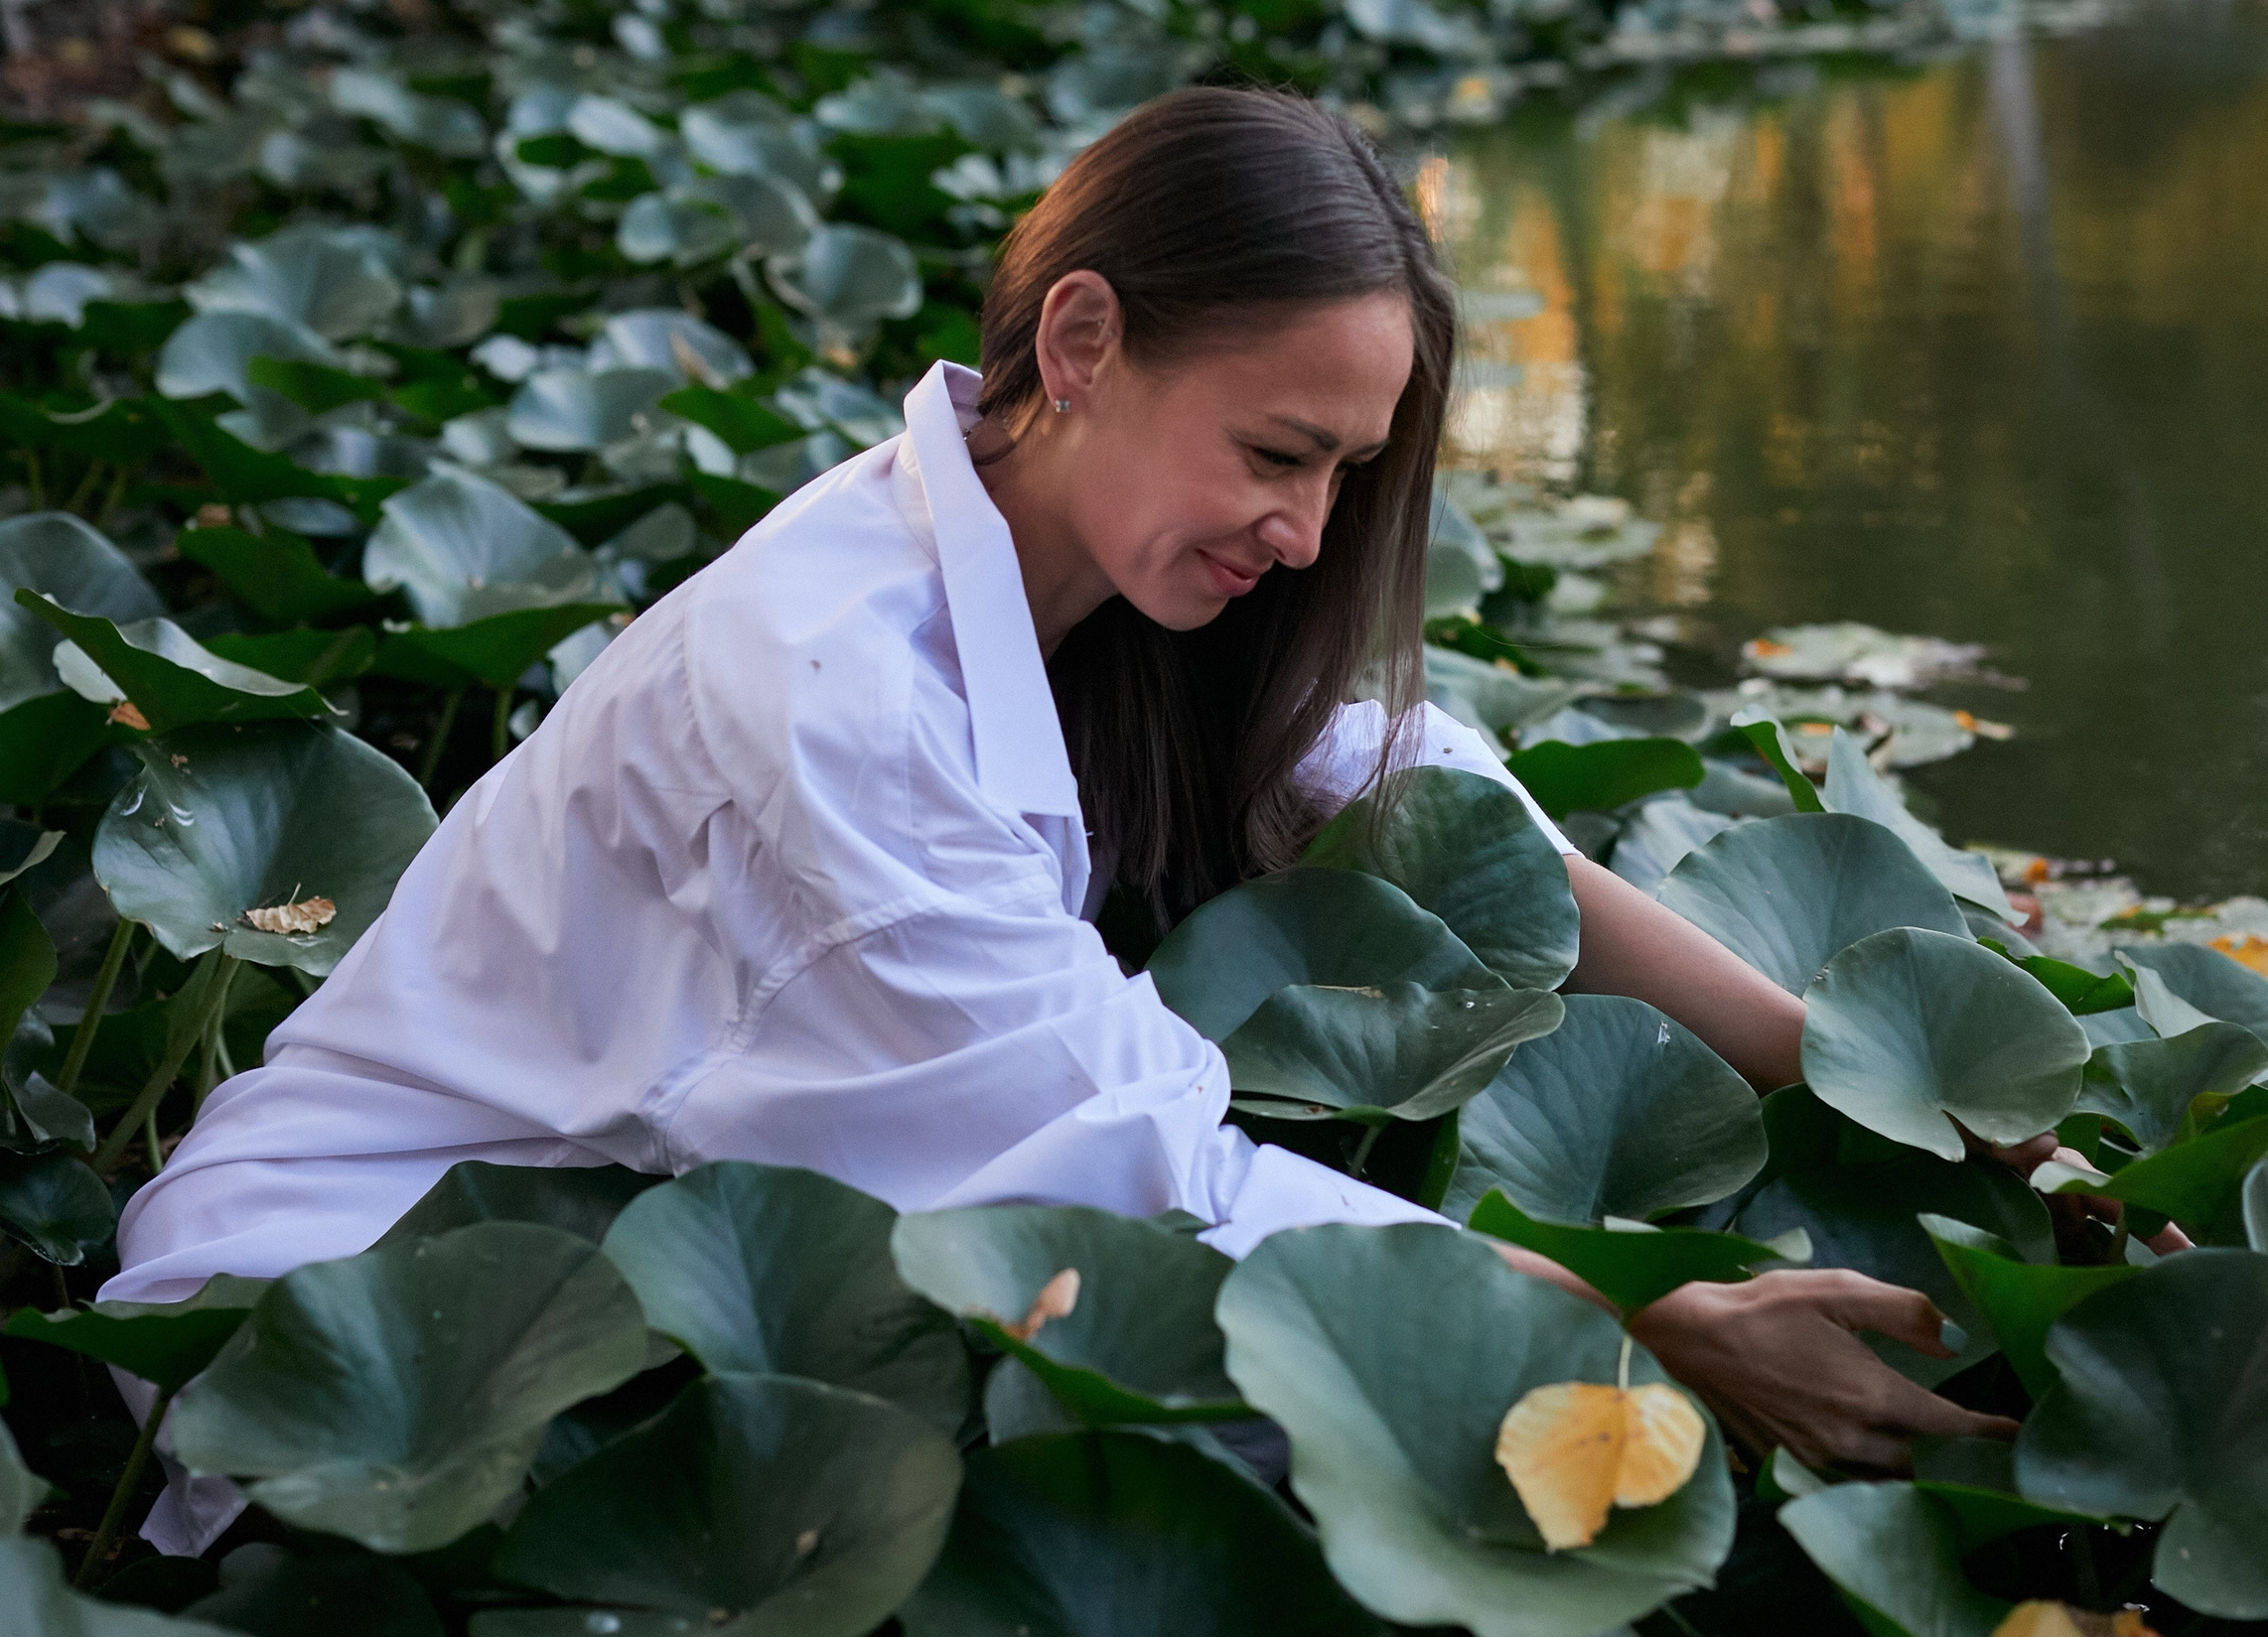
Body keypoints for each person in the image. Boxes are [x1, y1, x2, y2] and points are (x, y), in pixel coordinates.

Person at [106, 88, 2028, 1549]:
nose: (1307, 534)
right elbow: (1141, 1176)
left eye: (1348, 477)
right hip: (328, 1353)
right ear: (1085, 339)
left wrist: (1874, 1093)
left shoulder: (1086, 567)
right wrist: (1658, 1313)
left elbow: (1427, 793)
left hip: (625, 1285)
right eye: (1277, 453)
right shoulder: (827, 695)